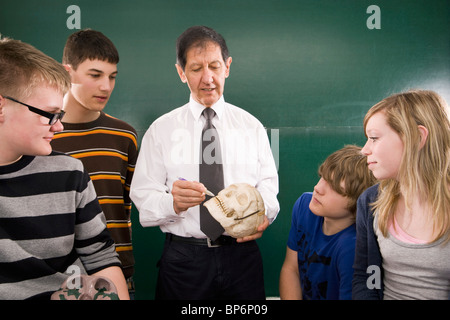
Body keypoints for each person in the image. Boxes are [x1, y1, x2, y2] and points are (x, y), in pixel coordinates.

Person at [130, 25, 279, 299]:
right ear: (181, 72)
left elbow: (269, 188)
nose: (207, 78)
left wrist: (262, 217)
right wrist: (172, 203)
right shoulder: (161, 130)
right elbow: (142, 197)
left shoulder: (252, 127)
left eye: (214, 66)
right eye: (196, 68)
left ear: (228, 67)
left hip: (242, 256)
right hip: (185, 261)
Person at [0, 37, 129, 299]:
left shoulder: (70, 173)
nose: (58, 127)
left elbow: (101, 258)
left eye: (60, 115)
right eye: (49, 114)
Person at [50, 29, 138, 294]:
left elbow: (126, 208)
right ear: (68, 73)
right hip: (58, 283)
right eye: (95, 75)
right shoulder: (41, 138)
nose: (106, 86)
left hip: (119, 279)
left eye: (112, 77)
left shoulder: (125, 137)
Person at [353, 90, 450, 300]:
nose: (364, 150)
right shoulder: (371, 202)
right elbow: (365, 277)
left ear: (417, 137)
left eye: (374, 138)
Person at [279, 145, 376, 300]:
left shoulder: (353, 247)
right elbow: (291, 269)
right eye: (323, 177)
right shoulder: (305, 205)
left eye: (335, 188)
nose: (318, 188)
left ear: (358, 203)